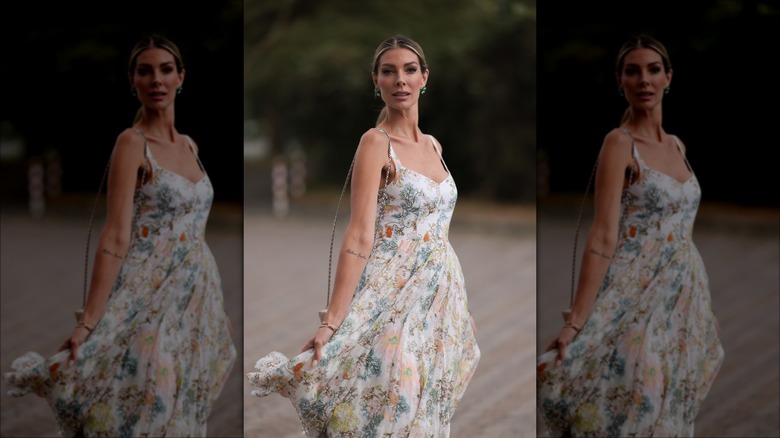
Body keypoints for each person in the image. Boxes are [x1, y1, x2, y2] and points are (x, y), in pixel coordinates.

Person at [3, 35, 236, 436]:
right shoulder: (132, 143)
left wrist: (215, 308)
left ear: (181, 77)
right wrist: (88, 322)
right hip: (147, 294)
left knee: (182, 401)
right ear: (133, 81)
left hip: (195, 299)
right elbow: (114, 235)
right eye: (145, 71)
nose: (156, 80)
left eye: (165, 70)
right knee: (151, 396)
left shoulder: (190, 145)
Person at [247, 34, 480, 436]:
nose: (400, 80)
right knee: (394, 400)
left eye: (409, 70)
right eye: (388, 71)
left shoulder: (434, 145)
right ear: (376, 81)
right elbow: (358, 234)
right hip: (391, 295)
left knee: (425, 411)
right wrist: (331, 321)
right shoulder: (376, 143)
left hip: (440, 301)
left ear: (425, 78)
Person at [536, 35, 724, 437]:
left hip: (682, 300)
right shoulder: (619, 144)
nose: (644, 80)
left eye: (653, 70)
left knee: (671, 409)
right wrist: (576, 322)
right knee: (640, 396)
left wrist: (703, 311)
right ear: (619, 81)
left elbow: (682, 233)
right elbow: (603, 236)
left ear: (668, 77)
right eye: (632, 71)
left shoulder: (677, 145)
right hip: (633, 294)